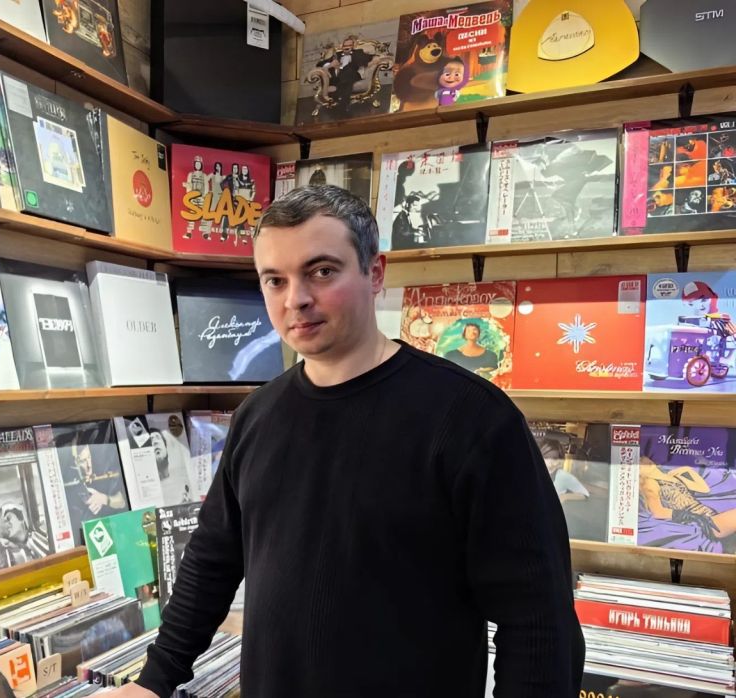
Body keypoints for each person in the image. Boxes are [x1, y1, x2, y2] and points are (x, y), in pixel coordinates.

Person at [107, 185, 583, 697]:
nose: (296, 299)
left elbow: (539, 623)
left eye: (321, 271)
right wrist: (154, 680)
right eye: (275, 280)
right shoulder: (256, 415)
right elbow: (212, 560)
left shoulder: (472, 418)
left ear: (374, 273)